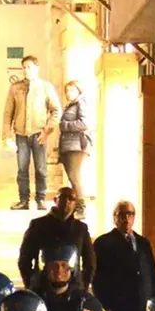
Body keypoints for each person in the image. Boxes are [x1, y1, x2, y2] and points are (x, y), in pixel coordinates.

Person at [3, 55, 62, 210]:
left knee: (41, 168)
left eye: (29, 67)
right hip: (21, 134)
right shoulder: (16, 88)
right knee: (22, 169)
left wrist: (47, 130)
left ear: (36, 68)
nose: (26, 70)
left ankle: (41, 199)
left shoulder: (45, 87)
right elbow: (8, 112)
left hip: (39, 133)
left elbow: (56, 110)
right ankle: (24, 200)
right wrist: (6, 136)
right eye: (24, 67)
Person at [18, 186, 96, 289]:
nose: (67, 201)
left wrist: (82, 286)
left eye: (71, 198)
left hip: (73, 290)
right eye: (63, 197)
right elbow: (24, 259)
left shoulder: (81, 228)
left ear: (75, 203)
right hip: (43, 287)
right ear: (55, 200)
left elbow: (90, 261)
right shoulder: (38, 225)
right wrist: (31, 284)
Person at [58, 80, 92, 219]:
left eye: (72, 90)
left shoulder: (80, 103)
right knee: (72, 178)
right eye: (67, 91)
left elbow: (84, 123)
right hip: (68, 145)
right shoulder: (71, 105)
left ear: (78, 91)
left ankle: (81, 207)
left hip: (77, 145)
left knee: (74, 177)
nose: (69, 93)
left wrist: (64, 125)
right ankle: (75, 207)